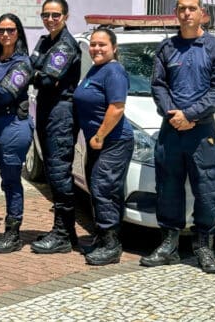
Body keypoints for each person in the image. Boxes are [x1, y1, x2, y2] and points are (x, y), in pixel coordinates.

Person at [141, 0, 215, 274]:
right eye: (182, 9)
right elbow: (158, 85)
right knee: (168, 187)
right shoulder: (167, 48)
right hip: (171, 130)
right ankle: (169, 244)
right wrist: (173, 114)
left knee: (205, 189)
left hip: (201, 132)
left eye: (192, 8)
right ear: (176, 13)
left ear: (202, 12)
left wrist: (190, 116)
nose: (187, 14)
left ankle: (203, 246)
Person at [73, 27, 134, 265]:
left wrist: (99, 136)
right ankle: (102, 236)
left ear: (114, 48)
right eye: (94, 44)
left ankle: (112, 245)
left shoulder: (114, 71)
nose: (97, 48)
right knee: (98, 188)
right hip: (98, 143)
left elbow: (117, 107)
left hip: (113, 142)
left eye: (102, 45)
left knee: (104, 188)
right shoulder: (97, 69)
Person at [29, 0, 82, 254]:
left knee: (59, 173)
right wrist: (38, 74)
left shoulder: (65, 45)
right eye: (45, 15)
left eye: (55, 15)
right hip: (46, 110)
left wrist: (38, 74)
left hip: (60, 114)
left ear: (66, 16)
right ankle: (66, 232)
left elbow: (47, 80)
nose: (50, 20)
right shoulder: (45, 41)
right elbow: (34, 69)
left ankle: (62, 233)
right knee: (52, 172)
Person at [0, 14, 34, 253]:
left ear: (18, 33)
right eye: (1, 30)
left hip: (13, 125)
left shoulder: (23, 63)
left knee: (10, 181)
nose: (5, 34)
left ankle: (13, 232)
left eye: (10, 30)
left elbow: (6, 93)